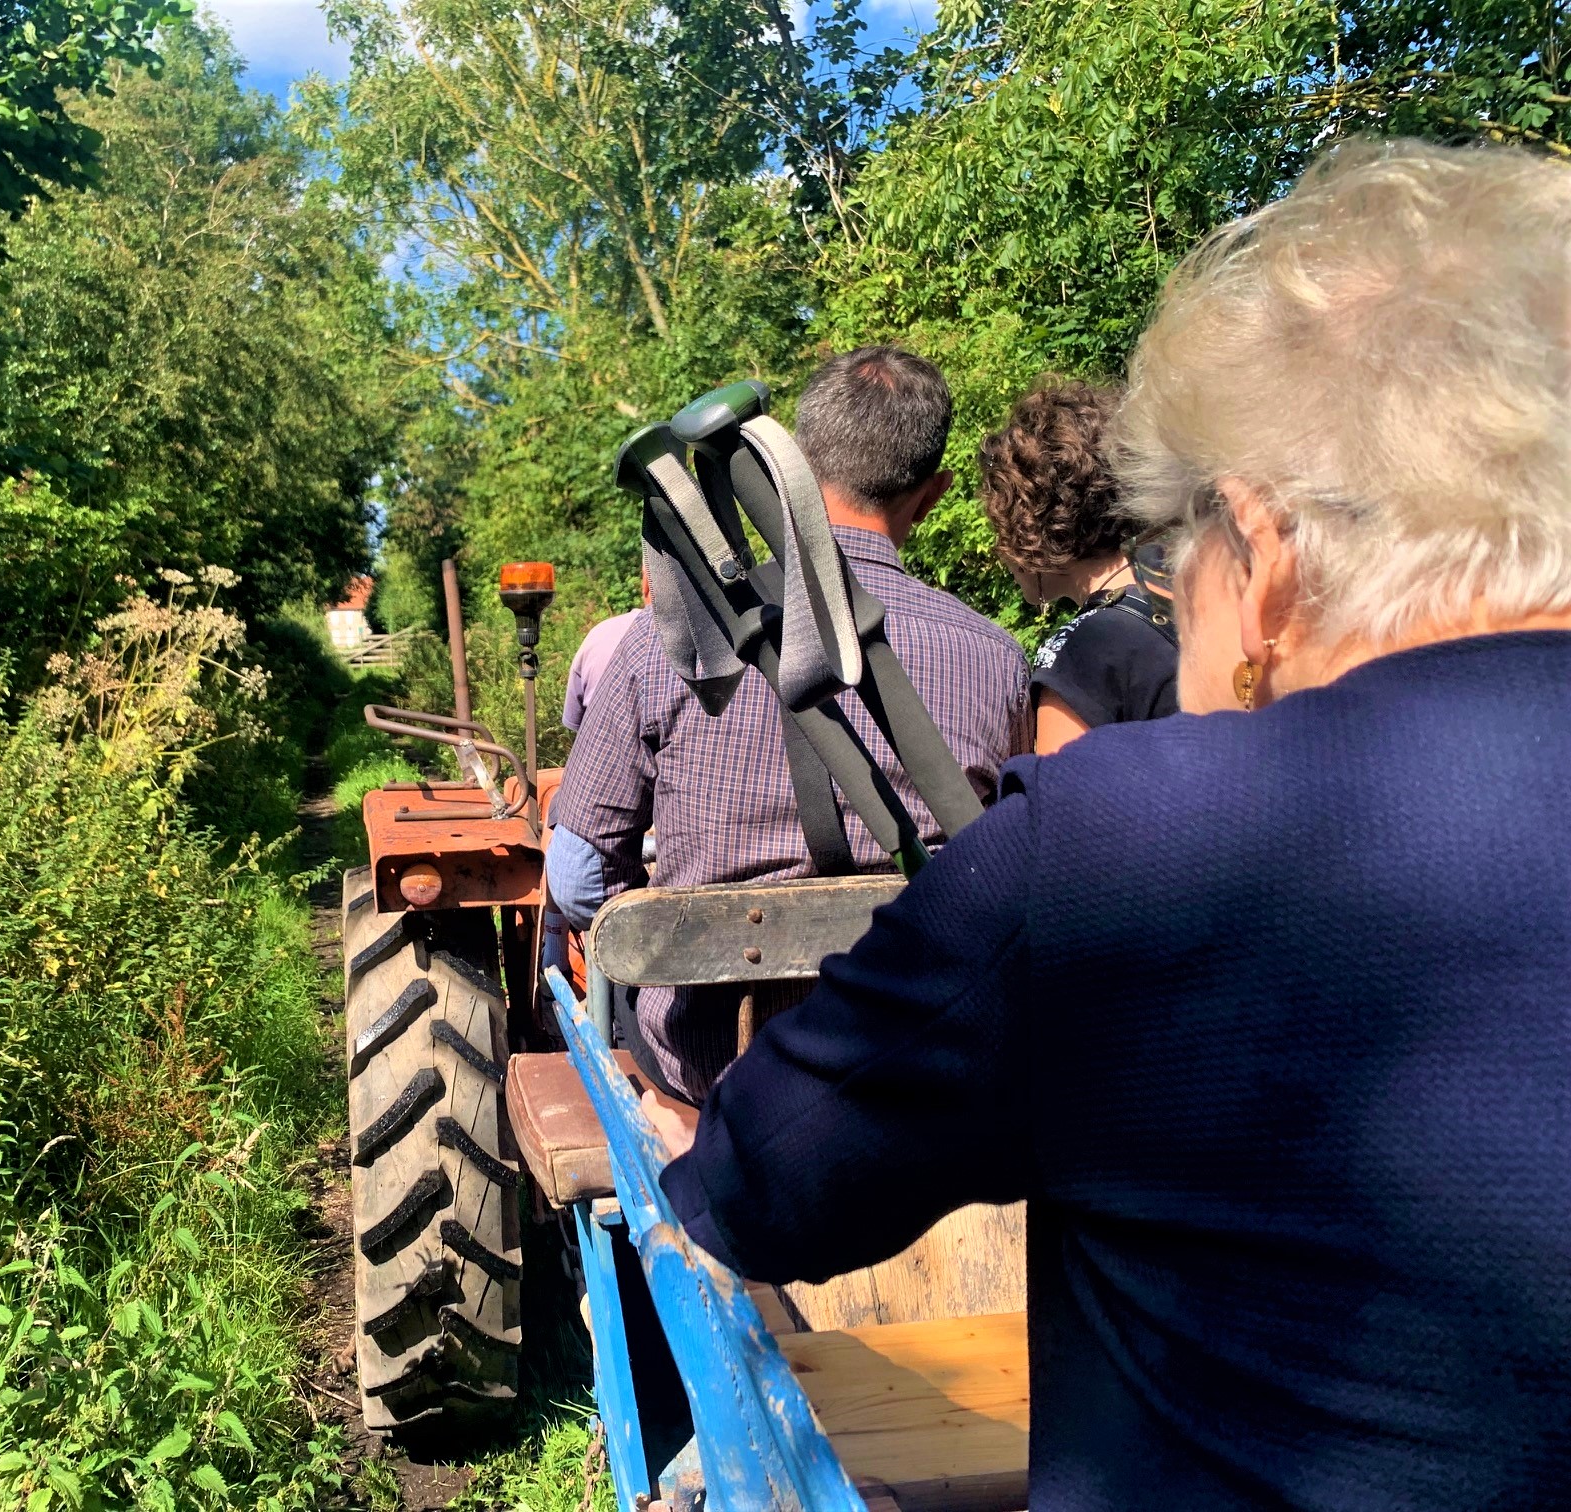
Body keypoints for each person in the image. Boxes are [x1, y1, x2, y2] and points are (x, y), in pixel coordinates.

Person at [659, 139, 1571, 1508]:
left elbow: (757, 1191)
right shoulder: (1004, 687)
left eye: (1173, 551)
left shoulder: (1124, 853)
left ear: (1260, 554)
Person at [548, 346, 1031, 1103]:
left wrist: (663, 916)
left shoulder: (668, 643)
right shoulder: (997, 658)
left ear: (791, 465)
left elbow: (576, 881)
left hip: (713, 1072)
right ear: (932, 496)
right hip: (924, 1062)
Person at [979, 380, 1179, 753]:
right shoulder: (1197, 594)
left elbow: (1060, 805)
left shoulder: (1081, 652)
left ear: (1029, 525)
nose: (998, 547)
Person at [561, 577, 648, 733]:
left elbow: (574, 719)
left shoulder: (601, 634)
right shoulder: (702, 643)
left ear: (646, 583)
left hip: (602, 753)